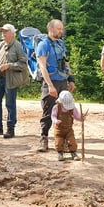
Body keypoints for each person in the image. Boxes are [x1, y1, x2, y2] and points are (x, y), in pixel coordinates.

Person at [36, 19, 75, 152]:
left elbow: (65, 62)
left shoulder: (60, 43)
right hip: (51, 82)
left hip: (62, 81)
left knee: (64, 113)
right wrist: (50, 86)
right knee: (48, 112)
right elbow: (42, 66)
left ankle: (63, 141)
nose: (61, 31)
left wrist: (71, 79)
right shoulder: (43, 45)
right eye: (58, 29)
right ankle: (44, 138)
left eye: (61, 29)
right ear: (50, 29)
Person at [0, 24, 29, 139]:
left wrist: (9, 66)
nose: (3, 33)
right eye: (2, 31)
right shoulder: (0, 45)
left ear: (12, 33)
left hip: (10, 79)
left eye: (5, 31)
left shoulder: (18, 46)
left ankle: (10, 128)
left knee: (10, 104)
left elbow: (23, 64)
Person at [51, 90, 86, 161]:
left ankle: (73, 153)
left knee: (72, 141)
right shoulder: (56, 107)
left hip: (69, 129)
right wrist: (56, 121)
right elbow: (53, 116)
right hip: (59, 130)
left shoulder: (72, 108)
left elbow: (76, 116)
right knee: (59, 142)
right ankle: (60, 153)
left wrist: (81, 118)